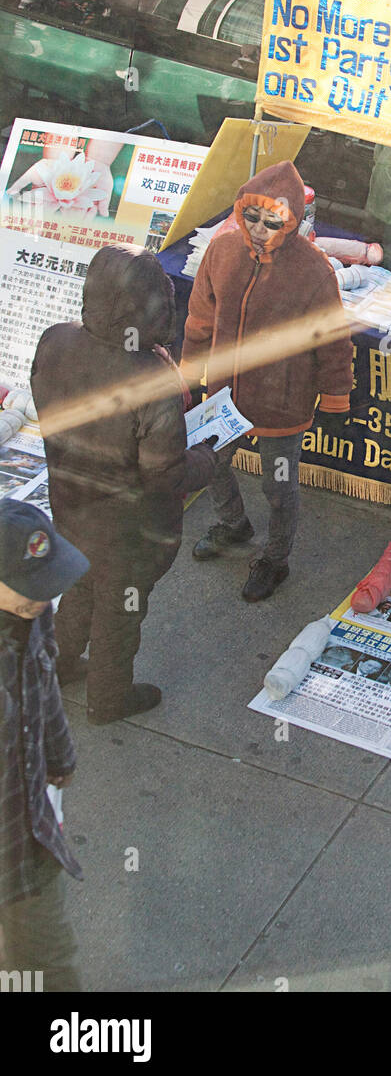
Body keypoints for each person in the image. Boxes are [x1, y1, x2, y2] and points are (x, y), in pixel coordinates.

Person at [31, 246, 218, 725]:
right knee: (120, 609)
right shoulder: (149, 381)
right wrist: (208, 458)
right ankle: (108, 699)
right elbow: (165, 476)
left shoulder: (55, 342)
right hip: (129, 530)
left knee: (79, 588)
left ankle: (56, 666)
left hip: (71, 507)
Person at [181, 161, 353, 602]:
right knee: (211, 463)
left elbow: (333, 341)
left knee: (279, 486)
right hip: (224, 397)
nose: (258, 229)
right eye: (251, 217)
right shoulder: (220, 252)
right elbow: (200, 318)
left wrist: (335, 398)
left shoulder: (314, 271)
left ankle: (275, 559)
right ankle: (233, 525)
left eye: (272, 221)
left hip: (284, 403)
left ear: (292, 219)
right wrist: (188, 375)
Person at [0, 501, 90, 990]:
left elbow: (45, 679)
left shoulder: (32, 612)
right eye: (31, 588)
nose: (46, 598)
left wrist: (60, 754)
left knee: (51, 966)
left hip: (25, 838)